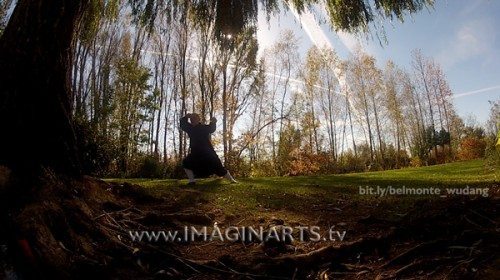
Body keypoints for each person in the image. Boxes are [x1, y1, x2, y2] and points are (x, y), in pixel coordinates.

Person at [180, 113, 237, 184]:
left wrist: (213, 122)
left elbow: (211, 129)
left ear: (198, 119)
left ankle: (232, 180)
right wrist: (185, 117)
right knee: (186, 162)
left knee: (218, 166)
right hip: (196, 153)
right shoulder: (190, 128)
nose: (192, 120)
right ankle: (192, 181)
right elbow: (183, 125)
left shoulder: (203, 128)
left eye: (194, 118)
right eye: (191, 119)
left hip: (208, 152)